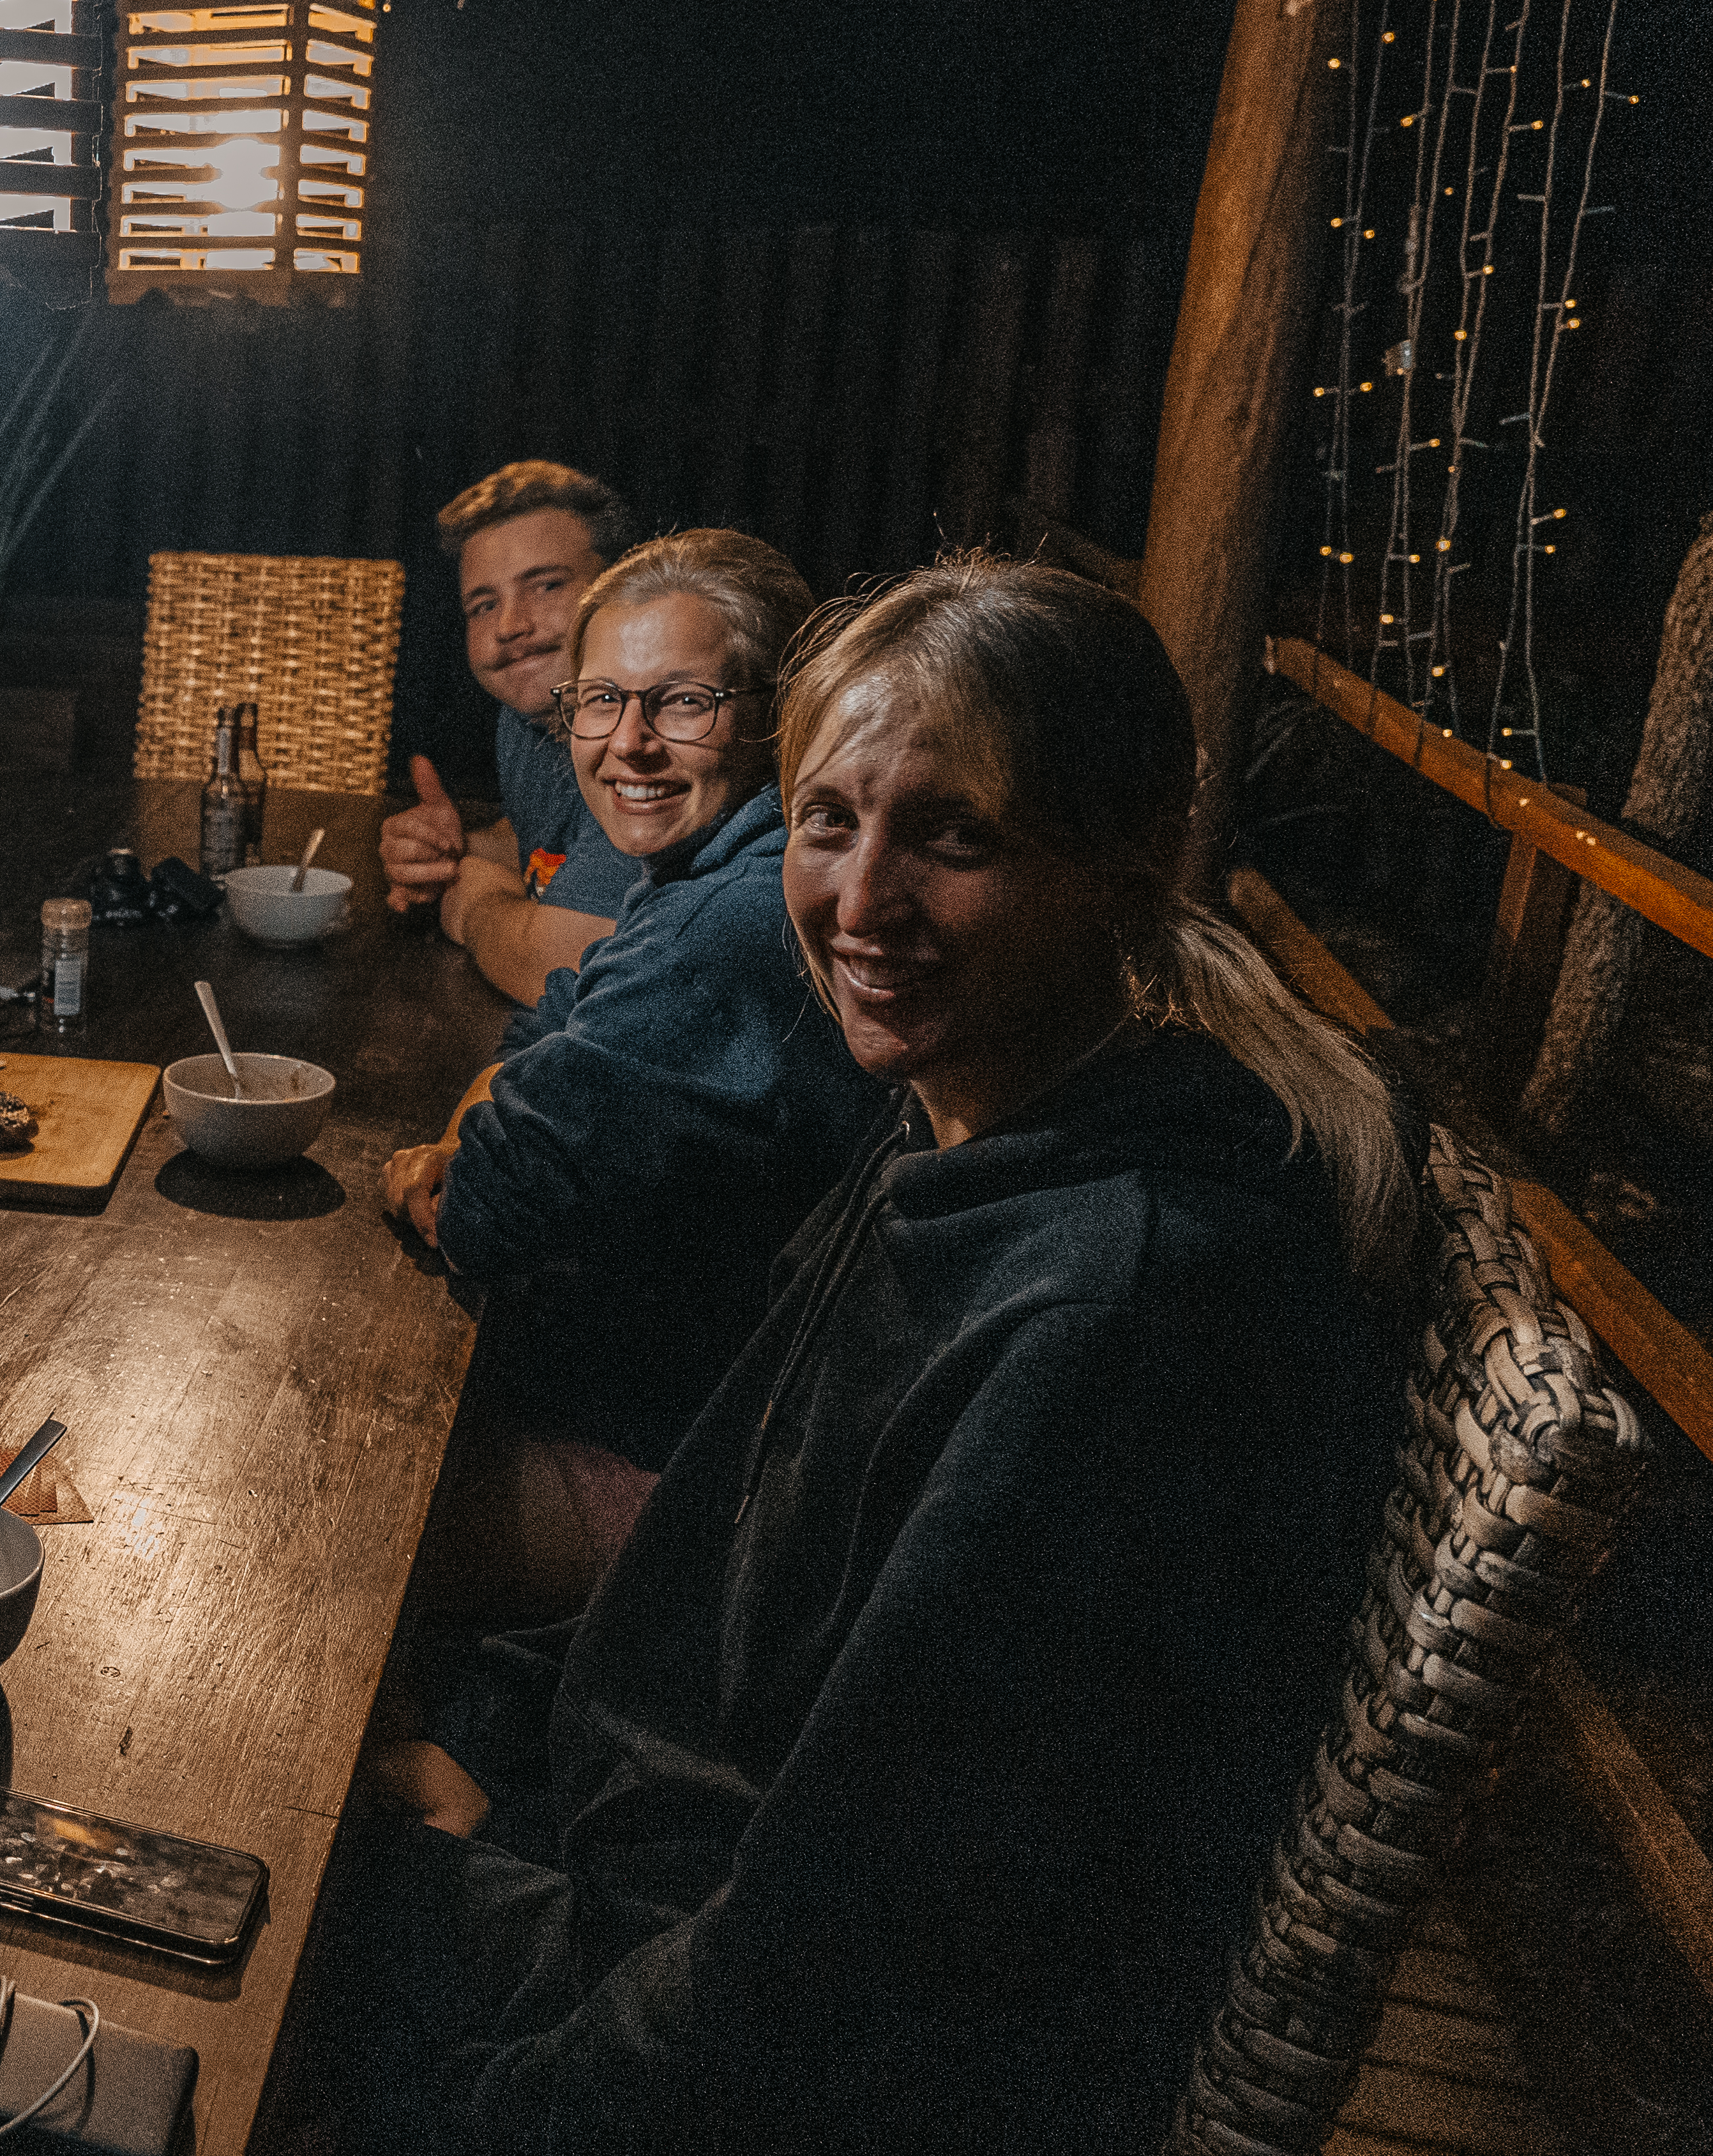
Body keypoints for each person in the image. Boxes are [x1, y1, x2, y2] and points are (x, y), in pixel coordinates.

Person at [331, 559, 1420, 2152]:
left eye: (955, 837)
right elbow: (723, 1576)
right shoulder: (958, 1124)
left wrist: (481, 2111)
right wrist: (495, 1749)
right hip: (633, 1877)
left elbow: (834, 1966)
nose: (859, 903)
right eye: (830, 821)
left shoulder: (1110, 1307)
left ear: (1118, 864)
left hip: (722, 2036)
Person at [379, 529, 887, 1479]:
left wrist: (458, 1161)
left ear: (778, 713)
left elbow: (482, 1209)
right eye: (602, 700)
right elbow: (553, 1022)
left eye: (684, 701)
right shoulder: (718, 861)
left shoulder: (730, 918)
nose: (628, 744)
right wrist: (483, 1130)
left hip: (699, 1464)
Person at [376, 462, 654, 1006]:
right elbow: (542, 841)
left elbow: (565, 970)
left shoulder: (645, 740)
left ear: (622, 588)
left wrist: (473, 901)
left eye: (546, 585)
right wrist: (444, 851)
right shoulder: (528, 717)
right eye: (484, 606)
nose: (510, 627)